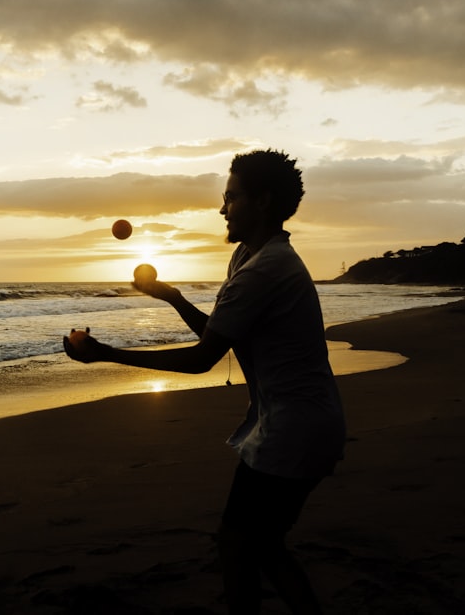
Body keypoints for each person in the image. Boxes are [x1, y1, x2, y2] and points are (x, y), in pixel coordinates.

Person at [63, 149, 345, 615]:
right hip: (297, 423)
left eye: (231, 198)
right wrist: (172, 297)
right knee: (261, 545)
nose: (221, 209)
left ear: (262, 201)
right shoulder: (250, 258)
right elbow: (222, 335)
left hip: (295, 430)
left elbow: (202, 360)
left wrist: (105, 354)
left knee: (239, 544)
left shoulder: (264, 269)